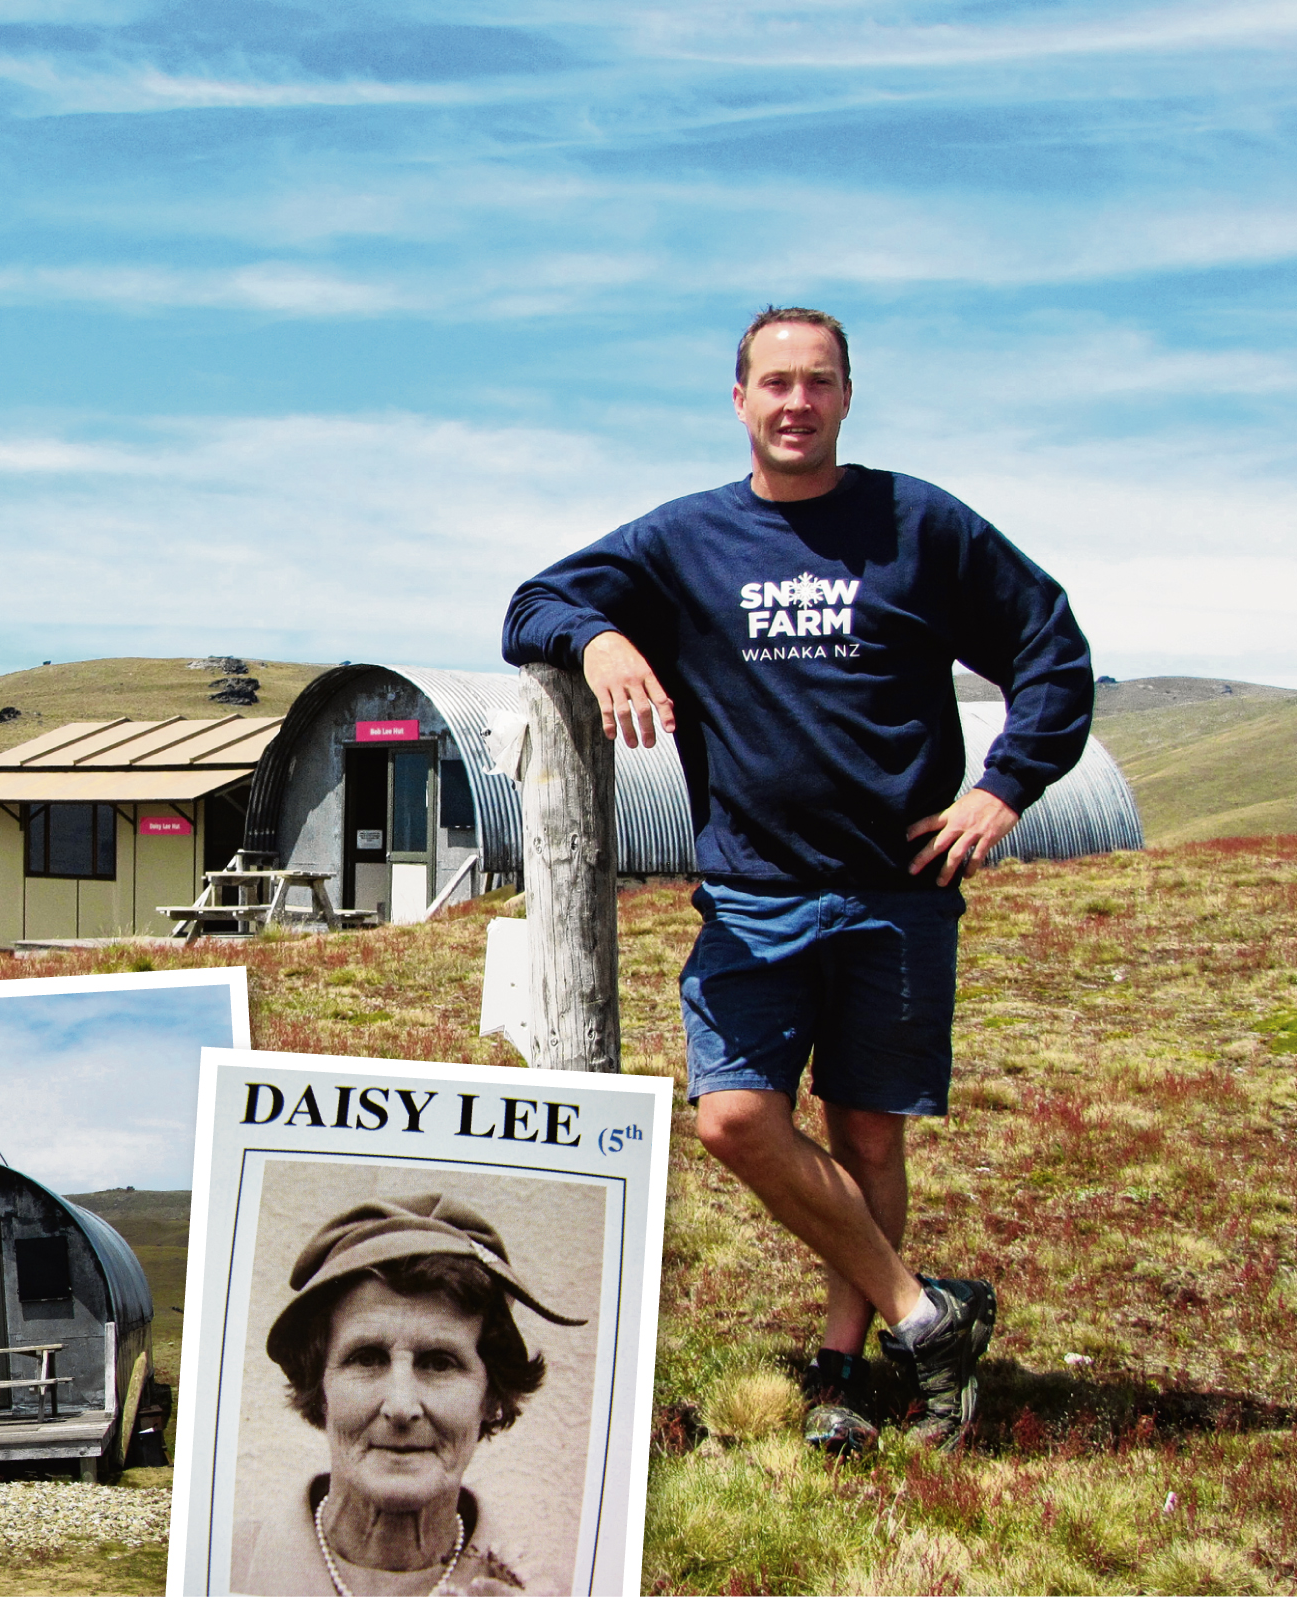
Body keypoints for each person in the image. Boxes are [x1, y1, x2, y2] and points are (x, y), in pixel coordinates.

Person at [501, 307, 1093, 1455]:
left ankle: (845, 1365)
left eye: (816, 383)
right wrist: (598, 639)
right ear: (738, 400)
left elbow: (1049, 646)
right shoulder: (685, 541)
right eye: (773, 383)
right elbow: (533, 599)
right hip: (754, 895)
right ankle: (929, 1315)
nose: (794, 403)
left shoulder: (916, 524)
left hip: (897, 890)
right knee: (733, 1118)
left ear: (846, 397)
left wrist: (1004, 787)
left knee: (869, 1136)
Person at [229, 1194, 586, 1596]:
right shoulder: (220, 1570)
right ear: (319, 1386)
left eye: (439, 1363)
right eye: (366, 1359)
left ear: (491, 1396)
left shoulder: (550, 1592)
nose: (401, 1407)